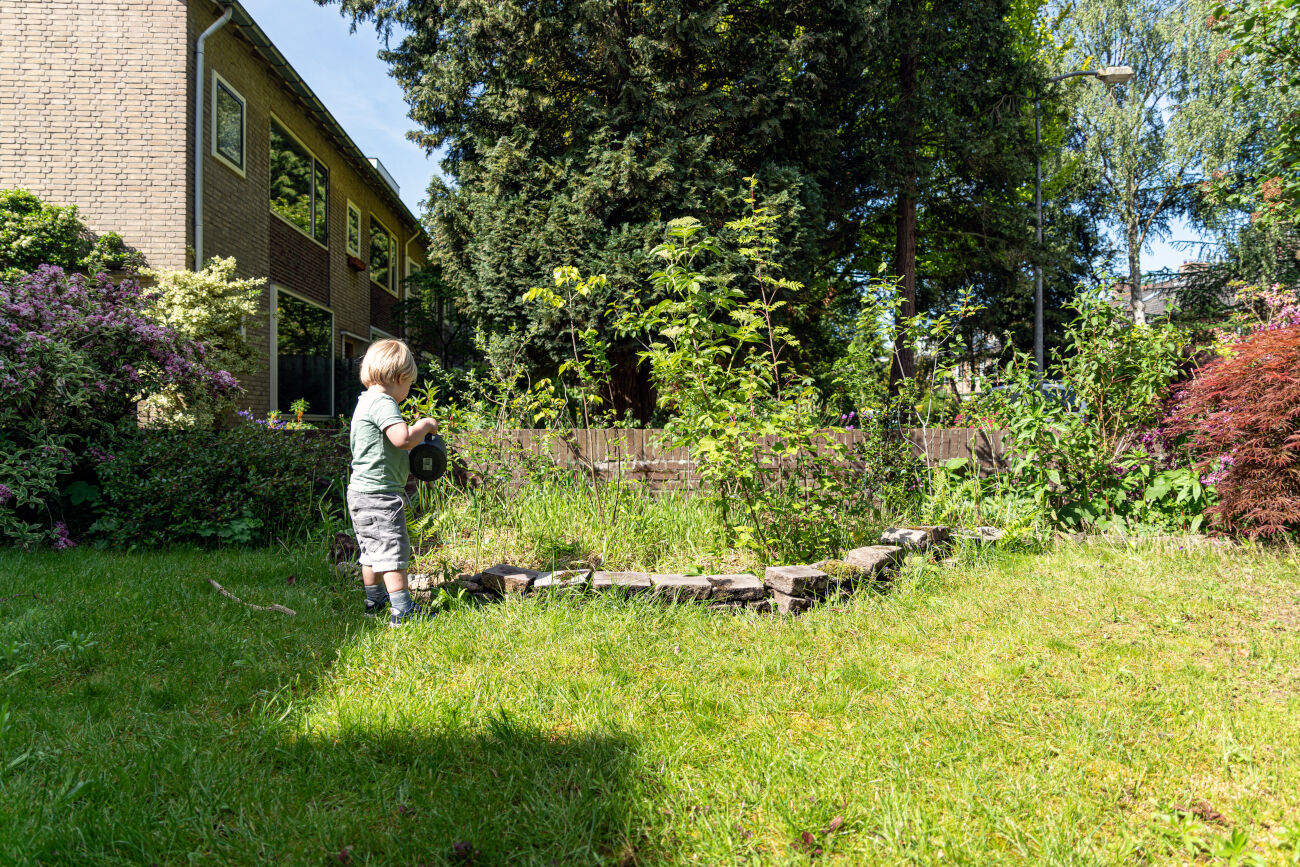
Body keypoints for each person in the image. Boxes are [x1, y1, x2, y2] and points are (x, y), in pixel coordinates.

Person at [347, 339, 438, 626]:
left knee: (371, 551)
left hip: (360, 492)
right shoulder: (384, 402)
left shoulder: (365, 401)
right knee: (393, 551)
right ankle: (403, 611)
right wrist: (424, 425)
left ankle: (374, 600)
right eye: (408, 385)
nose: (406, 392)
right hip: (381, 495)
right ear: (400, 378)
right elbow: (402, 439)